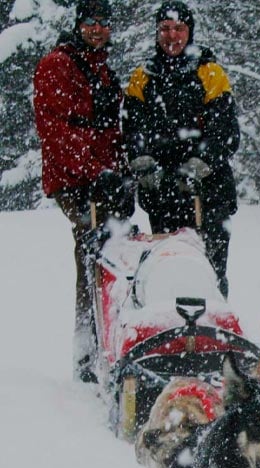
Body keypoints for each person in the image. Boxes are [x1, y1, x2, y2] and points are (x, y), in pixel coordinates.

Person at [33, 0, 133, 382]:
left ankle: (108, 342)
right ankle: (86, 354)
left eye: (102, 23)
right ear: (78, 26)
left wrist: (120, 174)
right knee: (92, 259)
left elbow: (110, 129)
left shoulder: (101, 68)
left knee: (115, 260)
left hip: (104, 179)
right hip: (77, 183)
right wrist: (95, 172)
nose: (96, 29)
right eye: (90, 23)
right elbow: (56, 131)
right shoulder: (59, 65)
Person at [123, 1, 240, 299]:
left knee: (210, 270)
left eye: (178, 29)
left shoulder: (210, 72)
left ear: (190, 32)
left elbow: (226, 132)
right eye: (165, 29)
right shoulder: (142, 77)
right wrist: (142, 161)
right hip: (162, 190)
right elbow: (132, 129)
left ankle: (214, 334)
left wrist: (202, 162)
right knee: (167, 268)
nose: (171, 36)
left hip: (208, 192)